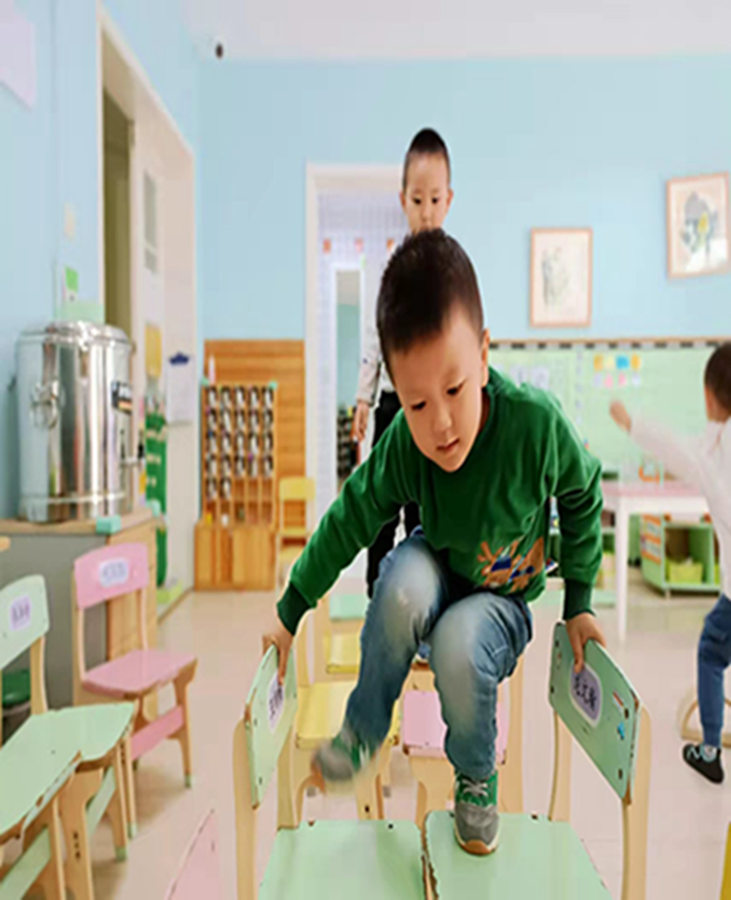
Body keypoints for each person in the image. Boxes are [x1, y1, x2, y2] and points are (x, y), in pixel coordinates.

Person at [264, 230, 605, 854]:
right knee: (399, 584)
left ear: (484, 353)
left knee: (456, 642)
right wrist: (291, 610)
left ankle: (475, 779)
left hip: (501, 601)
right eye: (417, 403)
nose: (441, 423)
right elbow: (350, 516)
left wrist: (579, 599)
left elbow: (583, 493)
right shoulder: (405, 442)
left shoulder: (535, 424)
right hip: (439, 564)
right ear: (396, 390)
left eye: (454, 390)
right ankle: (365, 729)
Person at [610, 342, 731, 784]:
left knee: (712, 650)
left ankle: (710, 750)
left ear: (709, 397)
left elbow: (672, 447)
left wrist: (631, 422)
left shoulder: (713, 448)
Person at [354, 128, 454, 598]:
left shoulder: (453, 273)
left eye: (435, 200)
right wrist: (362, 397)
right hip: (393, 407)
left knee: (425, 512)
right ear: (403, 201)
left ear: (448, 201)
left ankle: (423, 600)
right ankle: (376, 594)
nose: (426, 211)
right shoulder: (391, 270)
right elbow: (374, 336)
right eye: (417, 201)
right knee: (381, 506)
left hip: (434, 413)